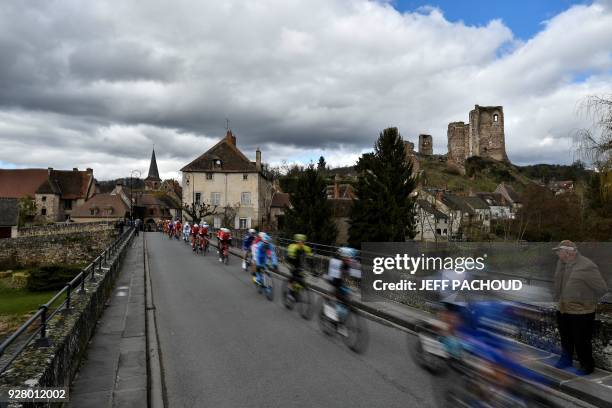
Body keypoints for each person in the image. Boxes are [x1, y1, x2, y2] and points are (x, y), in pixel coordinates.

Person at [552, 240, 608, 375]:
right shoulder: (561, 264)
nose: (557, 253)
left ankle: (587, 366)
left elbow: (602, 289)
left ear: (568, 252)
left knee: (582, 340)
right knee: (565, 338)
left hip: (582, 312)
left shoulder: (587, 266)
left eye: (559, 251)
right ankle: (566, 360)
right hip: (563, 309)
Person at [286, 234, 312, 300]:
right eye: (299, 241)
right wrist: (293, 267)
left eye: (303, 242)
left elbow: (310, 259)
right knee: (293, 278)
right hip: (291, 263)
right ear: (296, 241)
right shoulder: (293, 247)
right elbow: (290, 258)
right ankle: (289, 293)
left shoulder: (306, 248)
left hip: (299, 265)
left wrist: (314, 269)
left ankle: (296, 292)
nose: (301, 243)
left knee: (301, 279)